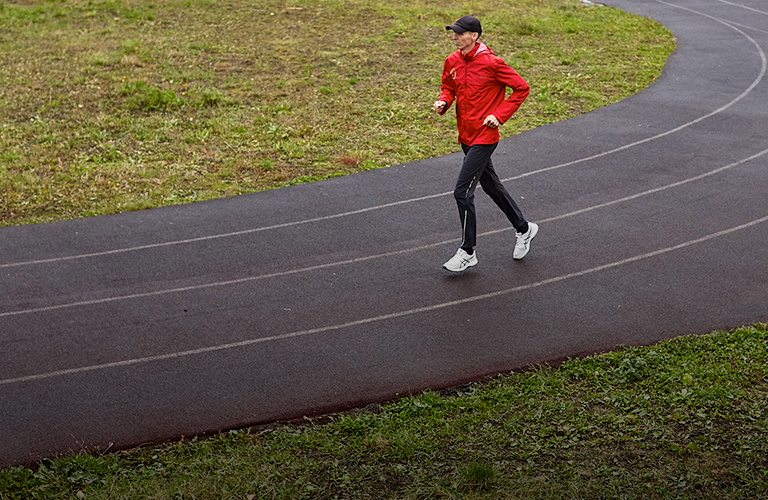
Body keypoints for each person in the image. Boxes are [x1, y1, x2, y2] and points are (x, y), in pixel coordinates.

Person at [435, 15, 538, 272]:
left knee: (462, 192)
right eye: (454, 32)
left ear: (474, 36)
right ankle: (524, 228)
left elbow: (521, 88)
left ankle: (467, 251)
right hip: (465, 135)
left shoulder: (492, 63)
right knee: (491, 187)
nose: (454, 36)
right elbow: (448, 86)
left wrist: (499, 115)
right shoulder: (452, 60)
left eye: (459, 33)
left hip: (485, 136)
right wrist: (444, 102)